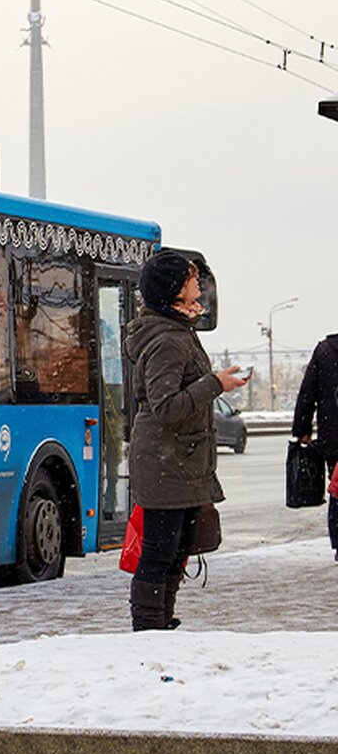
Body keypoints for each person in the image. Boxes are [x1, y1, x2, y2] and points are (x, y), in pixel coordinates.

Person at [124, 250, 249, 630]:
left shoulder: (179, 333)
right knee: (160, 552)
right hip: (166, 464)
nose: (200, 290)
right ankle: (149, 629)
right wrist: (216, 384)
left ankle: (163, 624)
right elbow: (165, 406)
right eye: (193, 282)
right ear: (173, 292)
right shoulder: (167, 341)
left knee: (177, 550)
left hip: (179, 462)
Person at [291, 332, 338, 559]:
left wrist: (302, 429)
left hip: (334, 437)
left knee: (337, 488)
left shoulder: (325, 350)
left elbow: (307, 393)